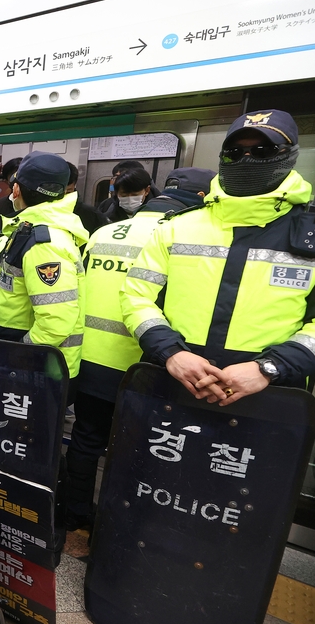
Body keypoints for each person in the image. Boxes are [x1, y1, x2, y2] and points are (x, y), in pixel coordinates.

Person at [121, 109, 315, 405]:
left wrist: (269, 369)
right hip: (170, 381)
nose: (246, 159)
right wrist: (172, 354)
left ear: (289, 155)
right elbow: (136, 296)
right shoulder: (178, 226)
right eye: (234, 152)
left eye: (262, 150)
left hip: (269, 394)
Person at [64, 167, 215, 532]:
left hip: (91, 360)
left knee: (85, 440)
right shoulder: (182, 239)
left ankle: (73, 512)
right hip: (146, 367)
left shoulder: (101, 233)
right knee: (140, 449)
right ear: (198, 200)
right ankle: (123, 522)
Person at [0, 152, 88, 382]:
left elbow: (55, 321)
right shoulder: (34, 230)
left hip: (34, 367)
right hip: (24, 358)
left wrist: (17, 355)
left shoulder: (44, 243)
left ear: (16, 190)